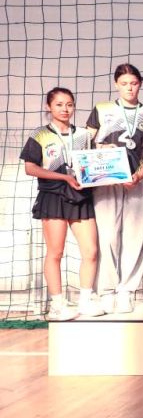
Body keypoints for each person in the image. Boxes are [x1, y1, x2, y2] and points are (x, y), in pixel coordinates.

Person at [21, 88, 101, 320]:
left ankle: (85, 300)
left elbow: (92, 164)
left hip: (81, 196)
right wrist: (64, 177)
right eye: (59, 104)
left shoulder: (84, 135)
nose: (65, 109)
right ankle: (57, 304)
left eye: (69, 104)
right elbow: (30, 168)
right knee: (55, 252)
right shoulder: (39, 134)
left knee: (91, 251)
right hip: (53, 196)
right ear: (49, 107)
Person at [86, 64, 143, 314]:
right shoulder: (102, 109)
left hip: (137, 181)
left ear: (140, 84)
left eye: (134, 83)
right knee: (107, 235)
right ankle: (106, 291)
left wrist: (139, 175)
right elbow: (85, 141)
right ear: (116, 84)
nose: (130, 88)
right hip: (106, 181)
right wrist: (100, 151)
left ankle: (126, 290)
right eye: (125, 83)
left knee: (135, 236)